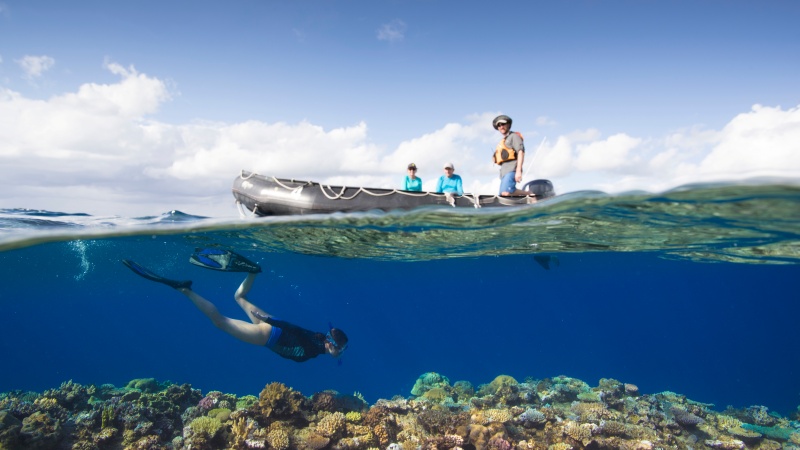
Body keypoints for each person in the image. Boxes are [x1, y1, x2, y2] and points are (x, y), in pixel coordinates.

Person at [122, 248, 348, 363]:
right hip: (267, 335)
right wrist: (270, 321)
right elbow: (295, 330)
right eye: (341, 349)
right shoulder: (314, 347)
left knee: (238, 297)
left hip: (272, 326)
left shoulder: (319, 340)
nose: (341, 353)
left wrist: (270, 319)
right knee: (220, 322)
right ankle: (185, 289)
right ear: (332, 345)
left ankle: (253, 272)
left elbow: (299, 330)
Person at [492, 115, 533, 197]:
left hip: (512, 169)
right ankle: (529, 194)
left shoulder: (514, 136)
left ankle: (529, 194)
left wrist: (518, 171)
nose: (501, 127)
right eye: (499, 125)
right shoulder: (504, 140)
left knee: (505, 192)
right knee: (503, 194)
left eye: (503, 124)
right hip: (504, 172)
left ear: (508, 125)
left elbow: (520, 152)